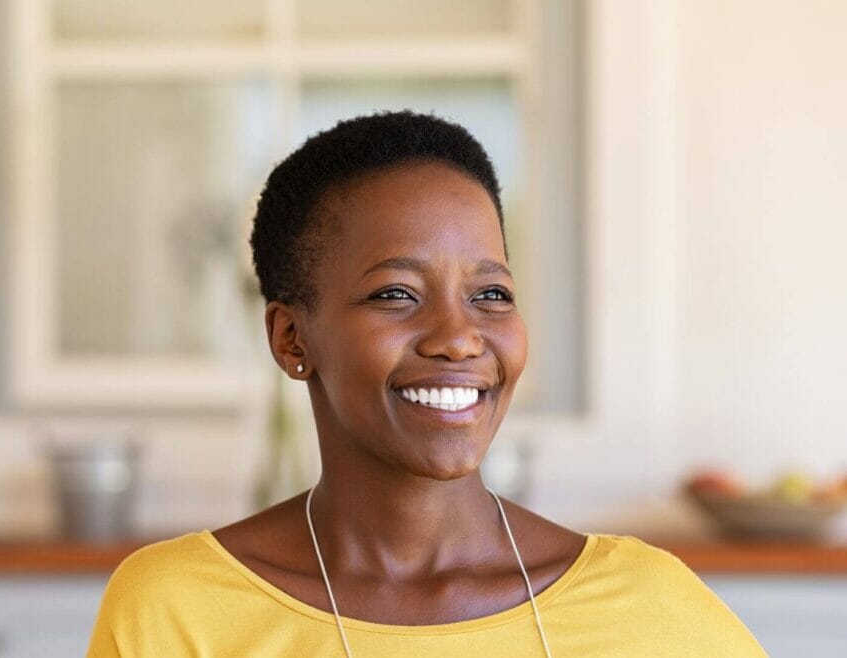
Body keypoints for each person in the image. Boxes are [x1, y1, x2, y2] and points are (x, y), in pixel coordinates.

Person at [86, 111, 765, 657]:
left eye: (491, 294)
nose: (460, 337)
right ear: (291, 339)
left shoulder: (649, 608)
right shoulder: (174, 614)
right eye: (396, 294)